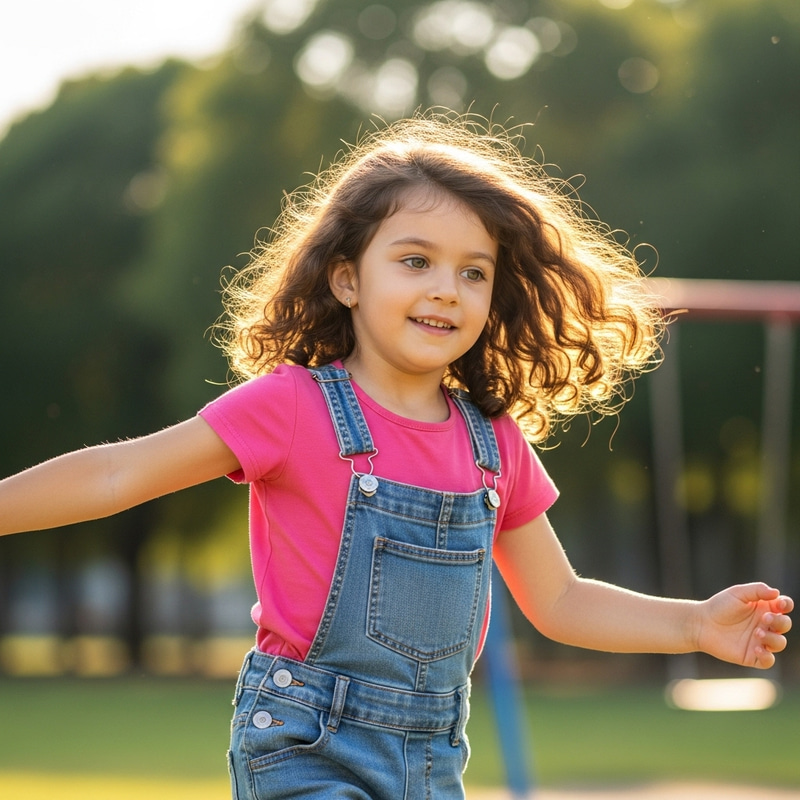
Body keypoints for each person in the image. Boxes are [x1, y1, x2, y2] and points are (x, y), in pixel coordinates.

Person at [0, 112, 792, 799]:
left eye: (472, 272)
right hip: (302, 746)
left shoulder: (494, 444)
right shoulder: (291, 407)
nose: (447, 288)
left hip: (430, 759)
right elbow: (115, 472)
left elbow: (562, 601)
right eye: (415, 261)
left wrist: (693, 625)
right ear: (347, 278)